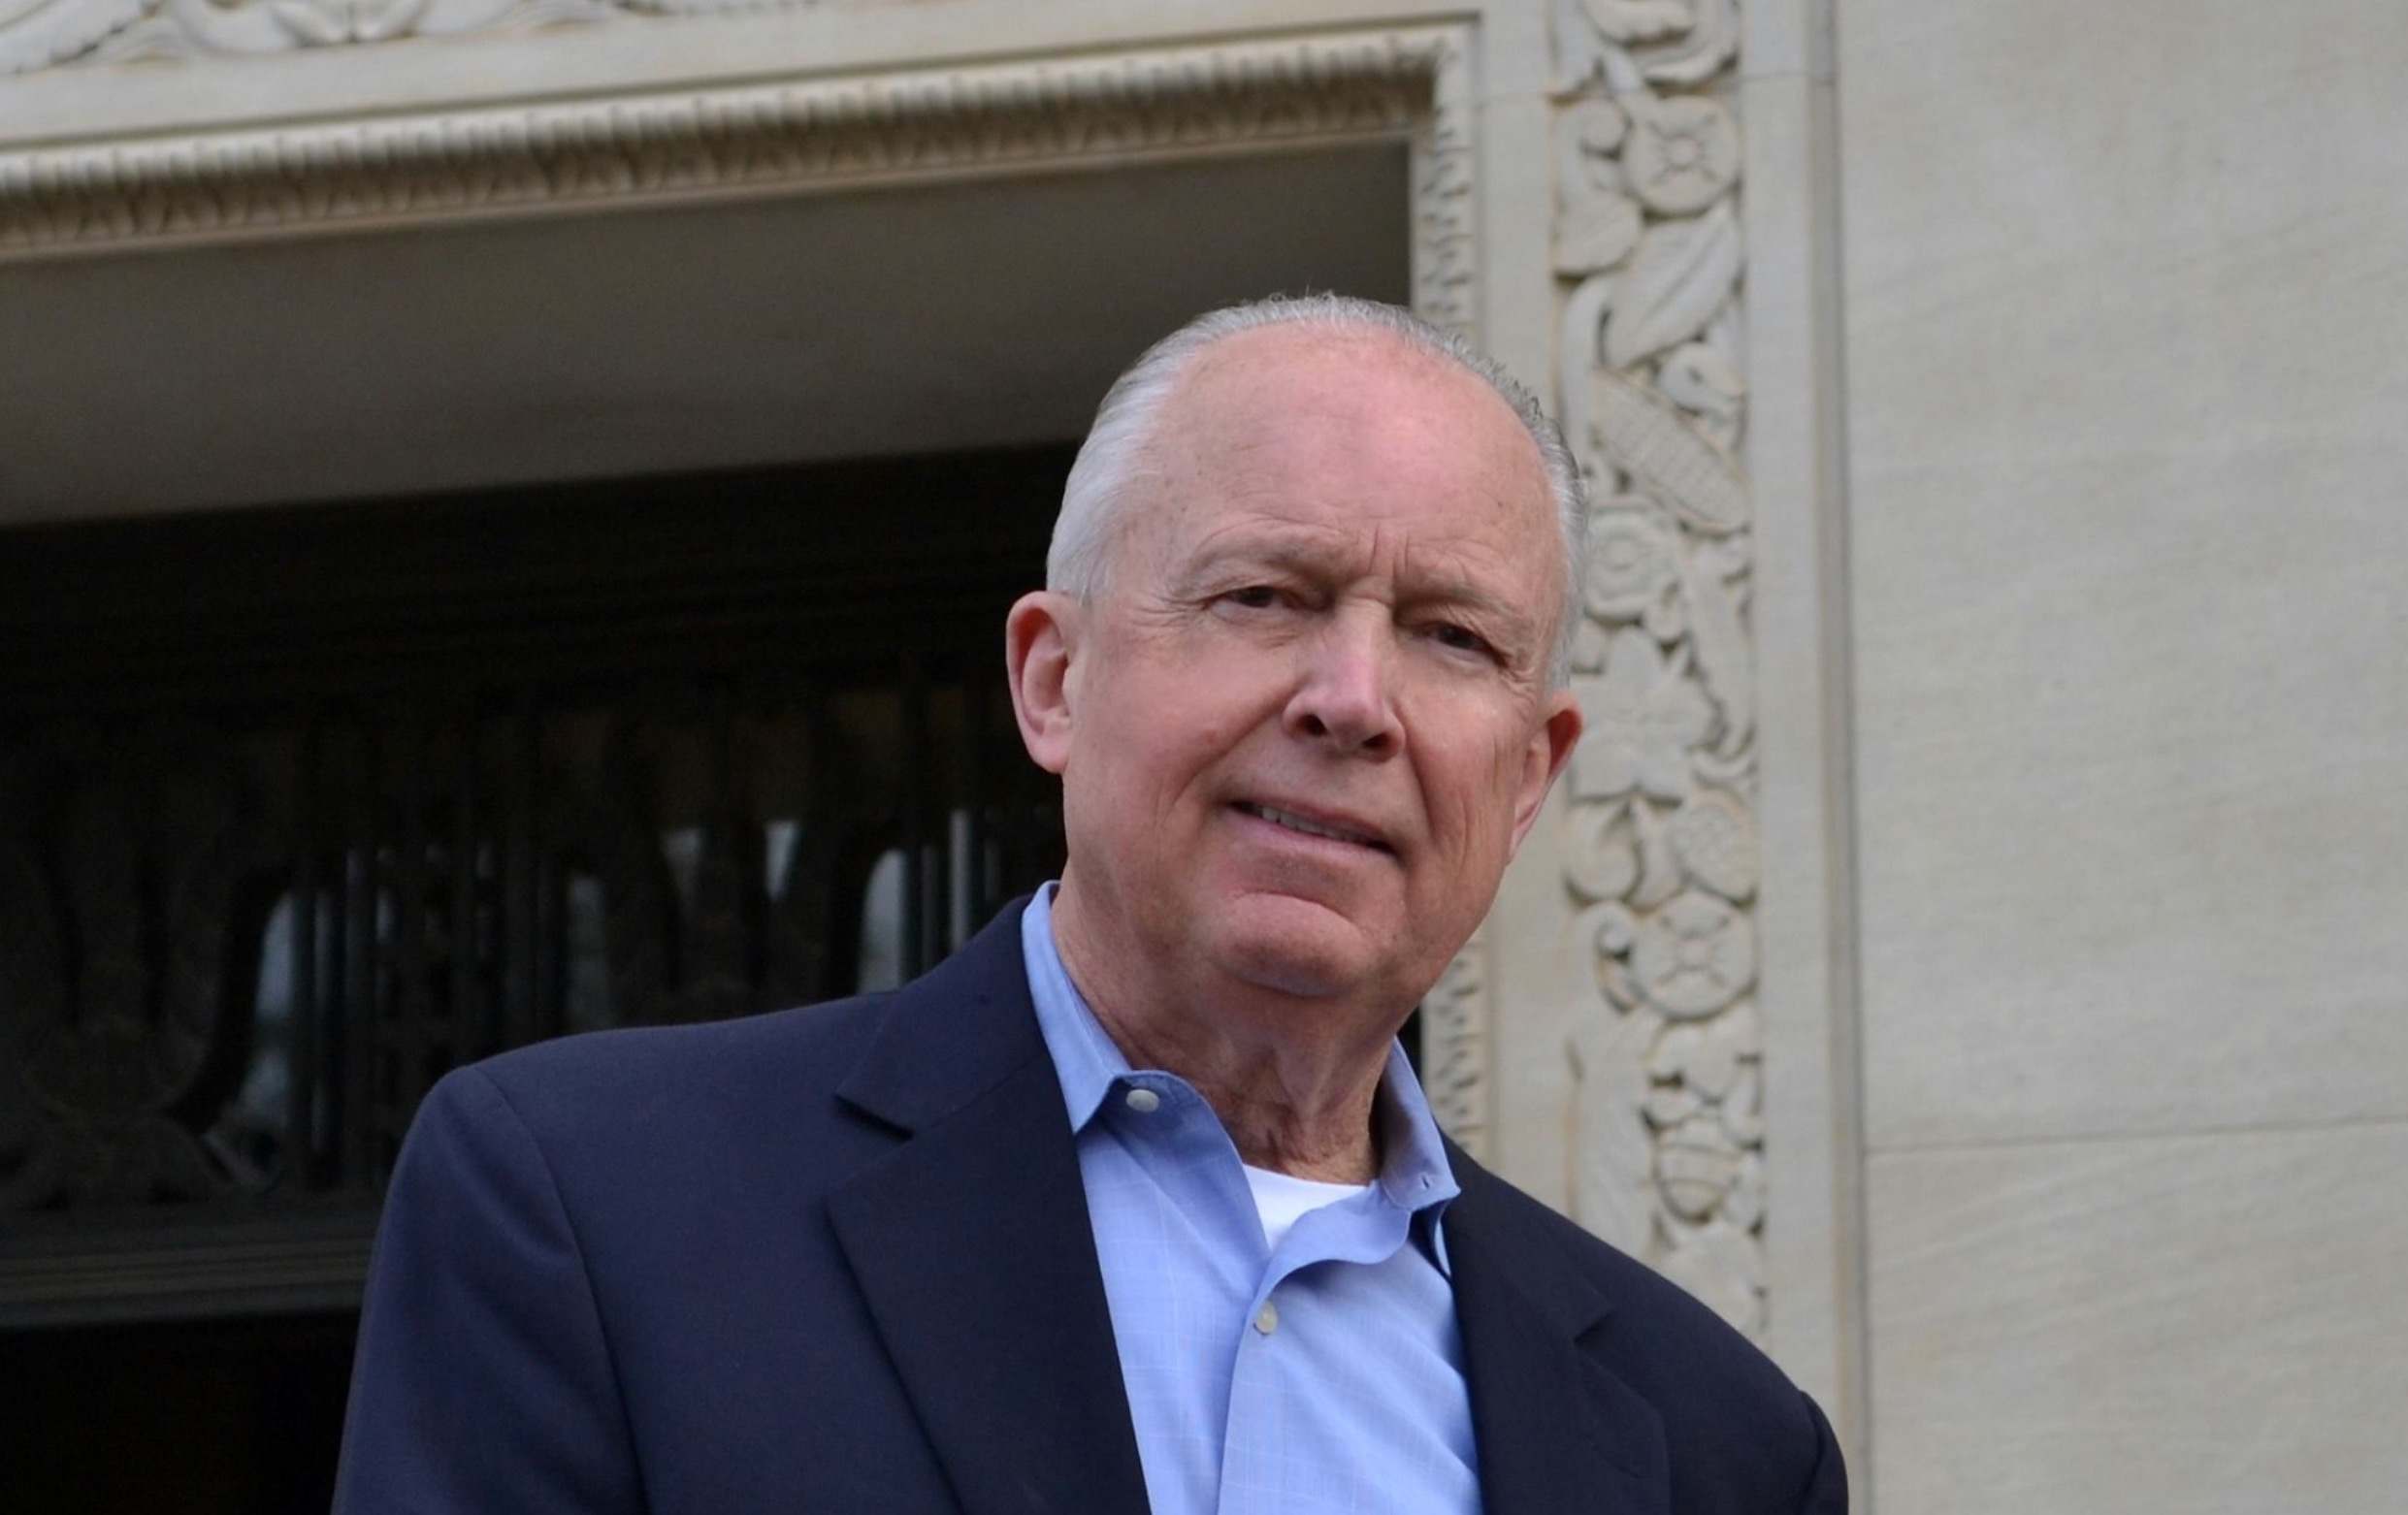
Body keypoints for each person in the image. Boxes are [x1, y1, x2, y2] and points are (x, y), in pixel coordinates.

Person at [333, 295, 1845, 1514]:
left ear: (1526, 776)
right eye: (1264, 595)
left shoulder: (1714, 1445)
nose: (1352, 698)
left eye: (1451, 636)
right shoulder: (597, 1208)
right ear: (1052, 680)